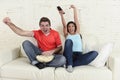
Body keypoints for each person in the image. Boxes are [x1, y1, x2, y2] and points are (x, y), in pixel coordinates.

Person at [58, 5, 98, 72]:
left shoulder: (78, 33)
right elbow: (64, 25)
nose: (71, 28)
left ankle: (70, 64)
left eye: (72, 26)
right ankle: (70, 64)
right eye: (69, 27)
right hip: (69, 54)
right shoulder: (67, 35)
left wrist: (74, 9)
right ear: (67, 28)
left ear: (75, 27)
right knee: (68, 41)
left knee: (95, 53)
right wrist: (61, 15)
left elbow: (76, 19)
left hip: (79, 55)